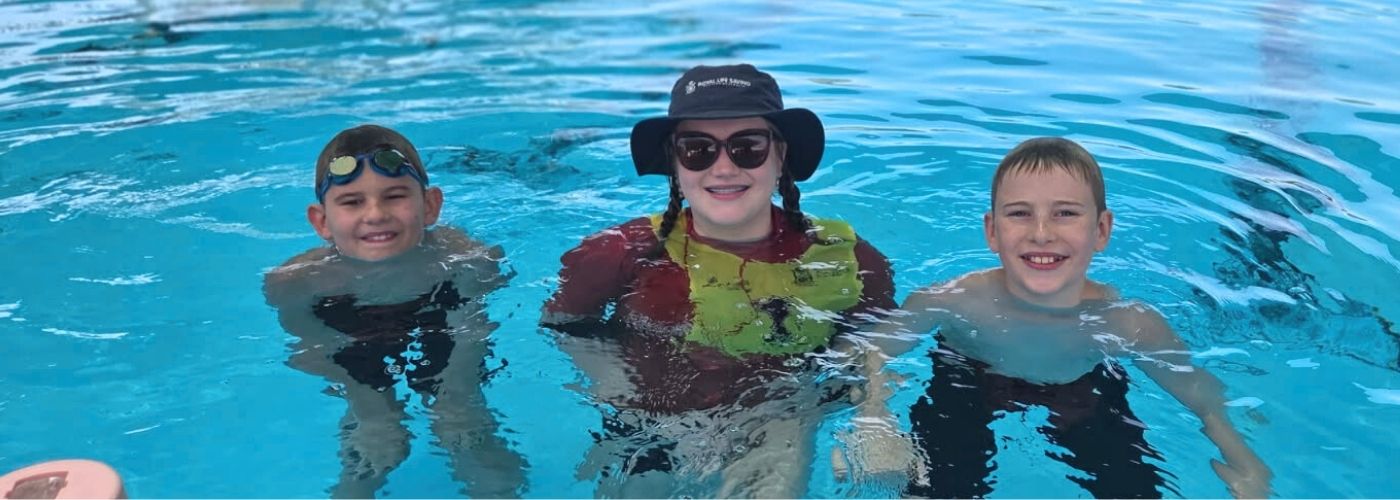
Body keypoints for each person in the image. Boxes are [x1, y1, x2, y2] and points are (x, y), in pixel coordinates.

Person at [844, 137, 1273, 498]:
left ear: (1101, 231)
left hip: (1078, 387)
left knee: (1132, 489)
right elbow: (870, 351)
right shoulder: (954, 300)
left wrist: (1244, 460)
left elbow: (1201, 396)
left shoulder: (1126, 323)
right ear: (992, 231)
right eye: (1020, 214)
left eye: (1065, 213)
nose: (1042, 233)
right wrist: (873, 416)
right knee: (940, 487)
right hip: (970, 376)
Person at [542, 64, 896, 497]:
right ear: (674, 161)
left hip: (777, 419)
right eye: (697, 149)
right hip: (648, 428)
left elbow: (873, 348)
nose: (724, 168)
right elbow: (565, 328)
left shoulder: (851, 259)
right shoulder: (618, 252)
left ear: (781, 155)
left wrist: (874, 418)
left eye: (748, 147)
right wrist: (621, 391)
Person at [263, 125, 526, 498]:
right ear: (321, 221)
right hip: (349, 337)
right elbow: (312, 348)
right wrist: (367, 403)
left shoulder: (467, 259)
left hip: (441, 323)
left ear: (430, 206)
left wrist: (456, 393)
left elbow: (473, 331)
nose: (375, 214)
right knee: (374, 441)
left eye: (395, 196)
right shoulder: (297, 283)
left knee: (467, 429)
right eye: (352, 202)